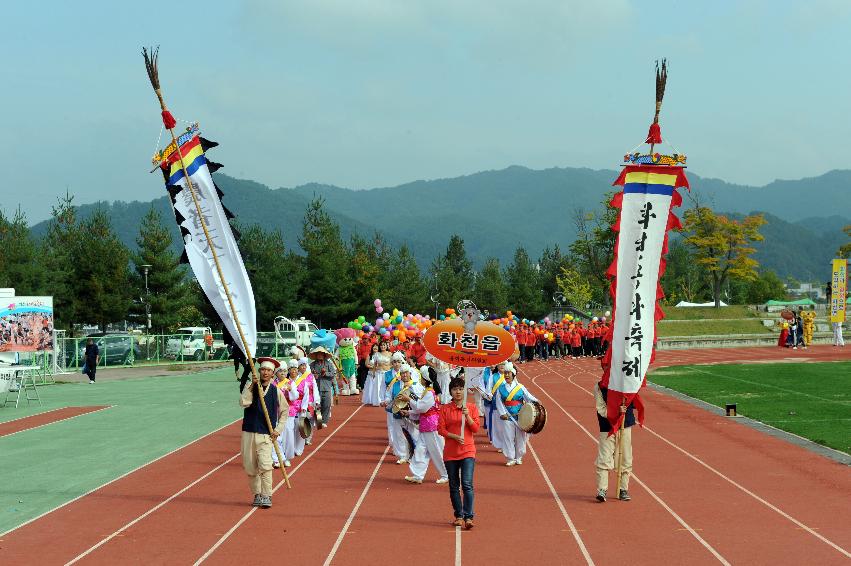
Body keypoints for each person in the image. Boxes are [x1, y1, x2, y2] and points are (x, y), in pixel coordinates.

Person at [239, 357, 287, 508]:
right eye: (263, 370)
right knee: (250, 466)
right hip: (249, 432)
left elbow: (285, 411)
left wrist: (278, 429)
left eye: (268, 371)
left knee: (266, 466)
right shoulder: (251, 386)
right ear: (259, 372)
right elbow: (243, 402)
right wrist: (252, 386)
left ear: (273, 374)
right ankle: (257, 494)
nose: (265, 373)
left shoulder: (275, 390)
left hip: (266, 434)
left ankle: (267, 495)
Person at [438, 377, 480, 529]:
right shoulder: (445, 409)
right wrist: (453, 436)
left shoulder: (471, 407)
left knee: (467, 484)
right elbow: (440, 429)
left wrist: (467, 415)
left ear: (464, 391)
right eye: (455, 389)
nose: (458, 392)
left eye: (461, 389)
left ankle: (469, 516)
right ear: (450, 391)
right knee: (454, 486)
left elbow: (475, 428)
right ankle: (458, 515)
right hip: (450, 453)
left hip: (468, 451)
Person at [401, 366, 449, 485]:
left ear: (425, 378)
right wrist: (409, 412)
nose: (420, 379)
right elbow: (422, 409)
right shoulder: (428, 391)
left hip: (431, 426)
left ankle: (446, 474)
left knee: (437, 451)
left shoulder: (429, 392)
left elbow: (421, 407)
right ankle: (418, 475)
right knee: (420, 451)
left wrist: (408, 400)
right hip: (426, 425)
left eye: (421, 377)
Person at [593, 381, 635, 503]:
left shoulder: (628, 382)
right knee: (604, 458)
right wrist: (616, 412)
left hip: (625, 425)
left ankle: (623, 489)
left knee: (625, 458)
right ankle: (602, 489)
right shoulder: (599, 387)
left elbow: (634, 400)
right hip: (607, 427)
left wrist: (626, 406)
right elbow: (601, 408)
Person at [495, 363, 538, 466]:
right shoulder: (500, 389)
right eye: (505, 373)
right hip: (507, 417)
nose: (506, 375)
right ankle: (510, 458)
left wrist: (536, 402)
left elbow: (529, 398)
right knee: (508, 437)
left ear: (513, 374)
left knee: (521, 437)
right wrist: (502, 413)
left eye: (508, 373)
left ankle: (519, 457)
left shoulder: (520, 387)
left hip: (520, 416)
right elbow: (499, 402)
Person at [383, 354, 413, 464]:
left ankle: (412, 455)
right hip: (397, 413)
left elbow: (417, 399)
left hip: (411, 414)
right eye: (403, 373)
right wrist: (385, 402)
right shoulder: (395, 384)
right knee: (399, 434)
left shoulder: (414, 385)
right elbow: (388, 396)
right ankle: (403, 455)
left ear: (410, 373)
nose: (405, 375)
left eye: (406, 373)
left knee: (412, 434)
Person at [309, 346, 337, 426]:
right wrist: (313, 376)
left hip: (327, 387)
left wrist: (326, 374)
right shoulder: (312, 365)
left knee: (326, 405)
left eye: (321, 354)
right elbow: (308, 375)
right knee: (317, 405)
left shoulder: (329, 364)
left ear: (324, 355)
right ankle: (318, 420)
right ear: (316, 355)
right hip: (316, 388)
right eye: (318, 354)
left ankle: (324, 421)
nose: (320, 356)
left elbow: (333, 374)